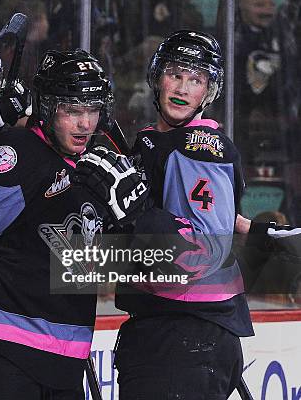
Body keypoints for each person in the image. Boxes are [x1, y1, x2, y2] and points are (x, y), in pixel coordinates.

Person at [74, 30, 254, 399]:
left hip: (187, 334)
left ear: (210, 91)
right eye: (175, 73)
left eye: (196, 79)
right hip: (167, 331)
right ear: (157, 78)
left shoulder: (200, 147)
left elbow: (205, 251)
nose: (183, 88)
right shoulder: (156, 143)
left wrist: (136, 209)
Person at [0, 49, 125, 399]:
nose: (85, 124)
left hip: (67, 359)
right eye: (72, 111)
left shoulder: (97, 167)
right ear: (45, 107)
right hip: (7, 352)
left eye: (92, 110)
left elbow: (85, 265)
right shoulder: (17, 154)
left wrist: (136, 214)